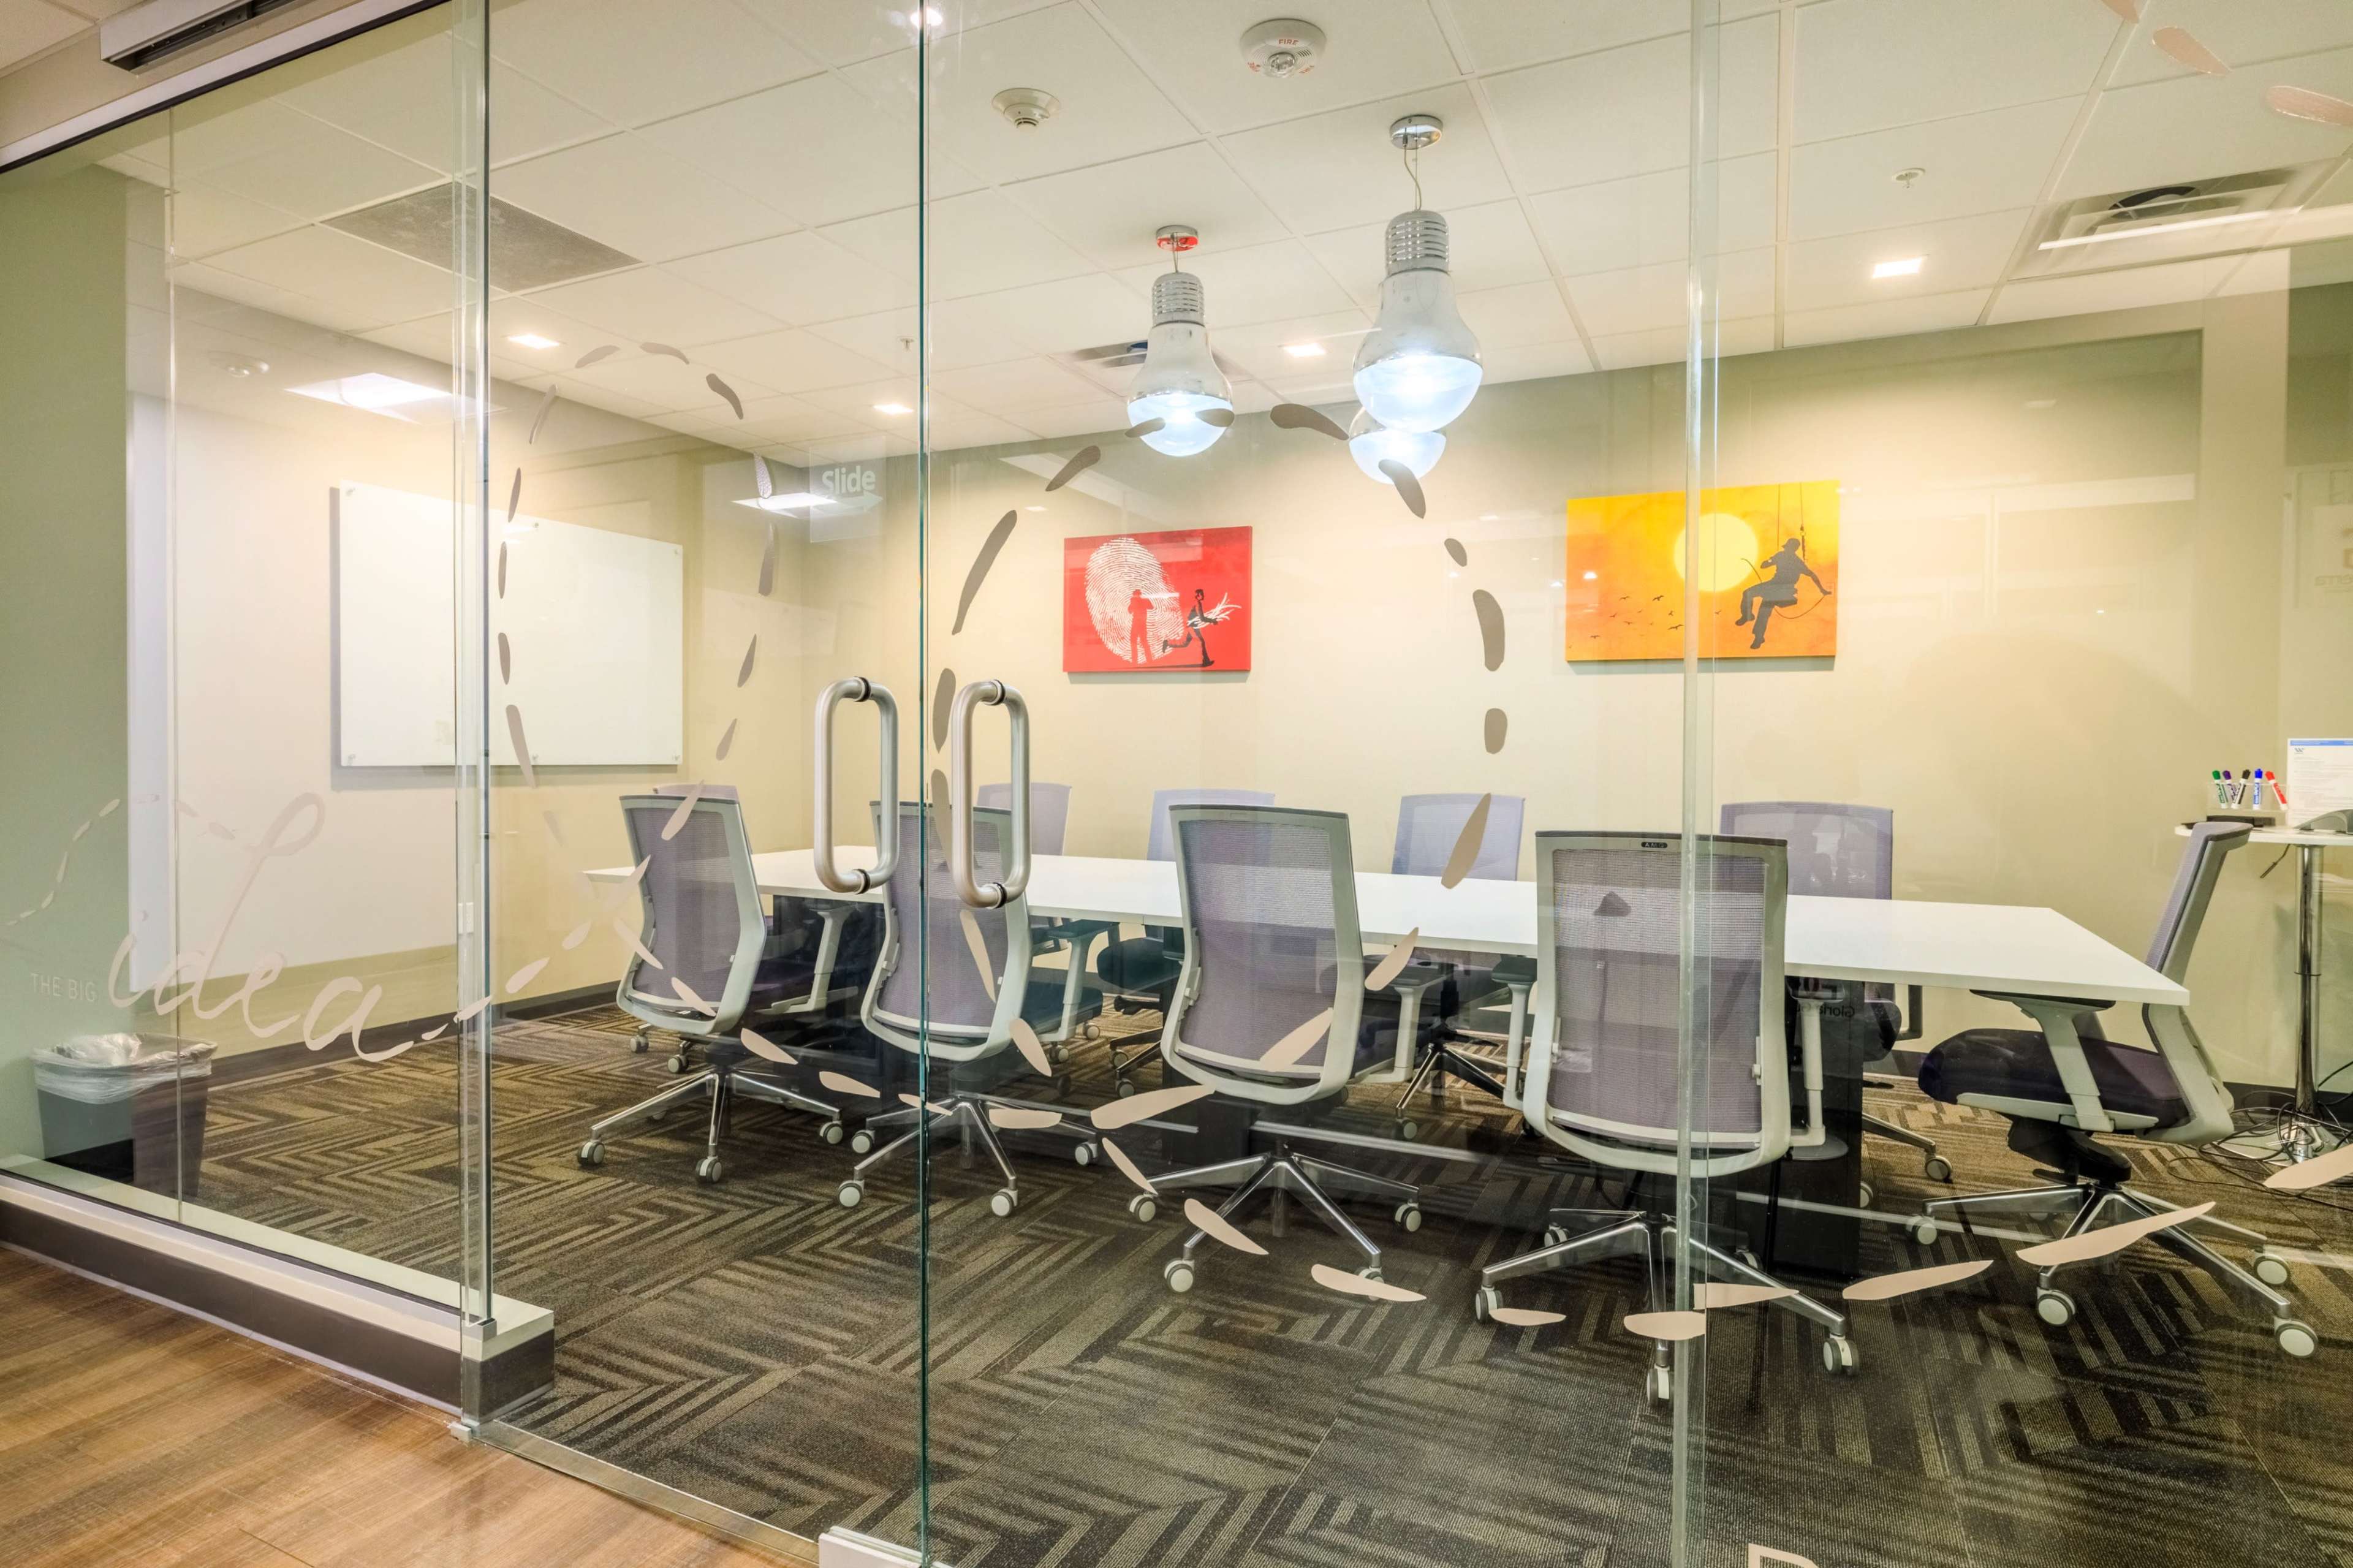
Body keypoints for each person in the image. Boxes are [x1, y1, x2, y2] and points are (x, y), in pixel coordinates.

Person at [1735, 537, 1827, 650]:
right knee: (1748, 593)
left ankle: (1758, 637)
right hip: (1772, 585)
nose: (1786, 549)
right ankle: (1747, 616)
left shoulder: (1797, 562)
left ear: (1792, 549)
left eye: (1788, 548)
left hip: (1784, 590)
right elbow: (1765, 565)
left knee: (1764, 611)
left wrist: (1822, 590)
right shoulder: (1781, 556)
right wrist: (1769, 561)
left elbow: (1812, 575)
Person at [1162, 587, 1215, 668]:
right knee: (1201, 642)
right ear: (1198, 595)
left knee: (1184, 643)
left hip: (1190, 625)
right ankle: (1205, 661)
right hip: (1192, 626)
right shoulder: (1197, 604)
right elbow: (1202, 618)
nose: (1204, 596)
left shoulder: (1195, 603)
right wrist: (1212, 621)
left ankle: (1168, 643)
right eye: (1202, 594)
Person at [1127, 587, 1153, 665]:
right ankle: (1149, 660)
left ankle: (1135, 662)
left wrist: (1135, 603)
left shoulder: (1135, 601)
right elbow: (1151, 607)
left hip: (1136, 624)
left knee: (1134, 642)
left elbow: (1130, 611)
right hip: (1142, 623)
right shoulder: (1143, 600)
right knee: (1143, 641)